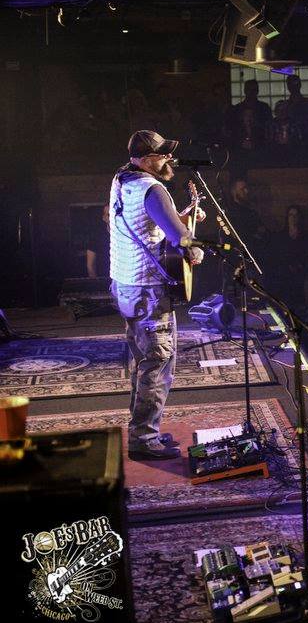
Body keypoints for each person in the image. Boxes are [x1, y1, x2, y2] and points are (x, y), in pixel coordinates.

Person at [110, 130, 204, 460]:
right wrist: (196, 250)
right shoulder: (153, 188)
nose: (169, 160)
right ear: (149, 159)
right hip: (148, 290)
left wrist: (185, 216)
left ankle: (143, 429)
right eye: (163, 155)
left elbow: (146, 225)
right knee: (158, 362)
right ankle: (143, 438)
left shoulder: (122, 179)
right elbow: (182, 243)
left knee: (143, 361)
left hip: (125, 284)